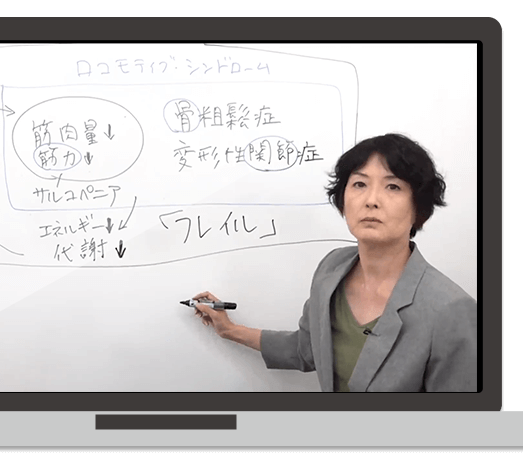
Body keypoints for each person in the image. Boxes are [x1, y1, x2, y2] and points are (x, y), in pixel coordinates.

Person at [191, 133, 477, 392]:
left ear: (419, 208)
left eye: (393, 187)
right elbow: (308, 349)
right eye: (359, 184)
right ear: (342, 201)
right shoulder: (332, 268)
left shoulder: (451, 310)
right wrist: (229, 330)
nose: (371, 200)